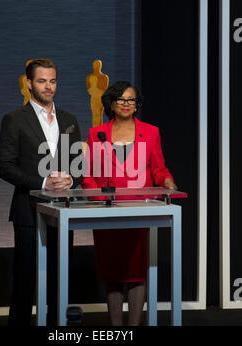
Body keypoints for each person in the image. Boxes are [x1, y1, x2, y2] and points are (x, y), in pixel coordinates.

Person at [82, 81, 177, 326]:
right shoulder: (97, 133)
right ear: (111, 103)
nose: (126, 104)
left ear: (137, 105)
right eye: (121, 99)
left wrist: (168, 182)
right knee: (111, 273)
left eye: (131, 100)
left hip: (140, 211)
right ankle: (116, 329)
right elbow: (89, 173)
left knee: (137, 273)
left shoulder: (151, 131)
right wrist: (95, 197)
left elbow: (158, 168)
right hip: (107, 211)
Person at [0, 58, 82, 326]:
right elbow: (5, 166)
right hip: (28, 211)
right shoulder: (14, 119)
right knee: (25, 280)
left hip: (63, 212)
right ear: (29, 83)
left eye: (53, 81)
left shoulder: (69, 119)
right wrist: (43, 182)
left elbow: (77, 166)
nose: (48, 87)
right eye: (42, 81)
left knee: (60, 280)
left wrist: (71, 179)